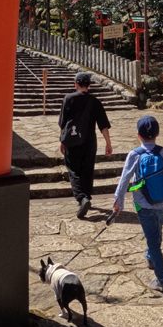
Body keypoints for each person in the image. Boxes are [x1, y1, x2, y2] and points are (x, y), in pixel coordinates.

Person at [112, 115, 163, 293]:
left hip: (142, 203)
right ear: (157, 133)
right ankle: (151, 257)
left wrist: (118, 202)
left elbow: (125, 179)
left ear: (138, 135)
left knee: (153, 239)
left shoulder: (135, 154)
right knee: (156, 233)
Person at [57, 72, 112, 218]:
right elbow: (103, 126)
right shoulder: (95, 102)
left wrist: (62, 141)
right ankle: (87, 196)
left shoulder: (68, 99)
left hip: (73, 141)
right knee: (88, 170)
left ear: (75, 84)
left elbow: (63, 123)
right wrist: (108, 143)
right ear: (89, 85)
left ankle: (82, 198)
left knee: (74, 170)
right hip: (90, 142)